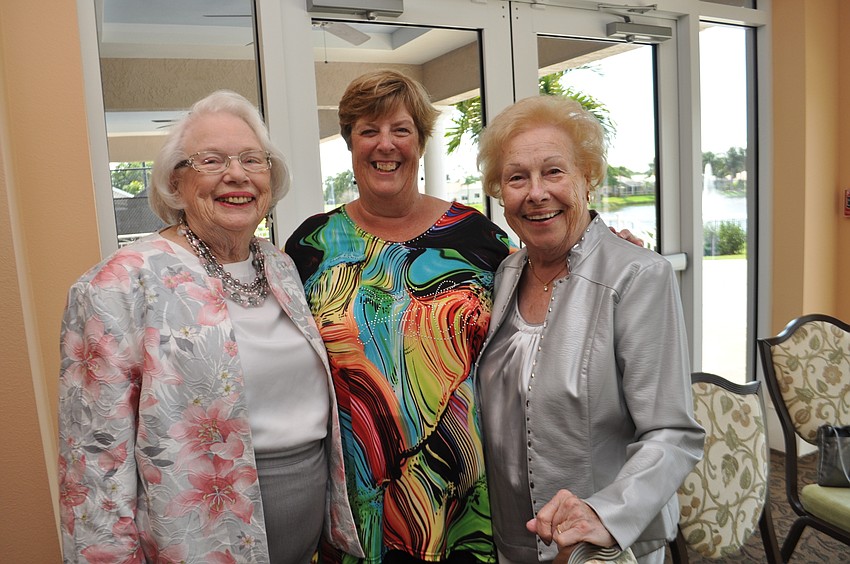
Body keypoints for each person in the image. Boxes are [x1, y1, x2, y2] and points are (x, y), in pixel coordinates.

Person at [57, 90, 362, 563]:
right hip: (196, 544)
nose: (236, 174)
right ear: (175, 183)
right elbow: (93, 464)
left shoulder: (280, 266)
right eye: (211, 160)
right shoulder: (120, 282)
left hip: (306, 541)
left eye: (250, 159)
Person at [285, 70, 513, 563]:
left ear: (421, 141)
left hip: (463, 500)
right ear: (349, 141)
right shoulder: (311, 245)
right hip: (353, 498)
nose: (384, 144)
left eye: (401, 130)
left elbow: (543, 303)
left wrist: (599, 252)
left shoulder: (478, 238)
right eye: (368, 130)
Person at [474, 95, 705, 564]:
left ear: (588, 178)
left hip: (598, 547)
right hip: (513, 539)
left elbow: (673, 434)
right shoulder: (504, 274)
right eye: (517, 177)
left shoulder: (636, 276)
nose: (536, 193)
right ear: (501, 193)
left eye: (554, 172)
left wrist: (605, 514)